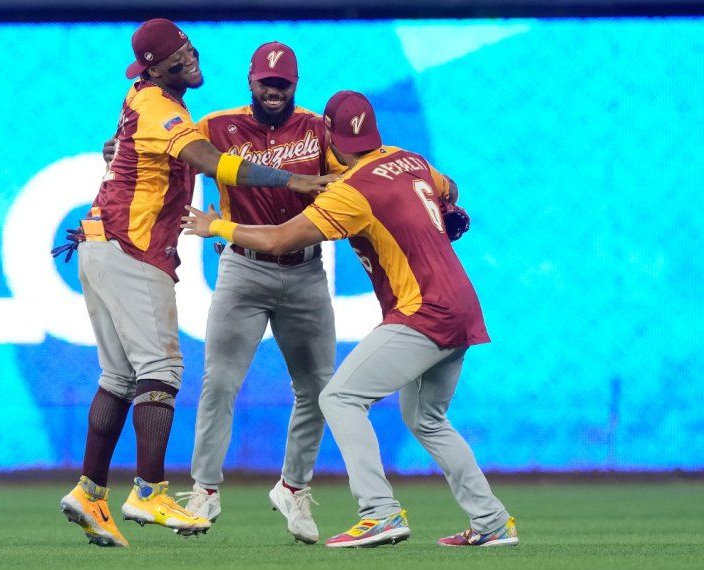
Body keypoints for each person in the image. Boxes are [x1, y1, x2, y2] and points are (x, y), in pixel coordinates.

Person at [181, 90, 519, 549]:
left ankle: (378, 512)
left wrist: (216, 227)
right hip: (462, 304)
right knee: (428, 419)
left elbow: (281, 239)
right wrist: (438, 210)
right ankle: (491, 520)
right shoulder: (408, 159)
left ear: (329, 136)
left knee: (338, 397)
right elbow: (451, 190)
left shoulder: (351, 192)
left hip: (422, 311)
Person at [58, 18, 331, 548]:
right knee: (160, 369)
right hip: (130, 247)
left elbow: (122, 147)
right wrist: (289, 177)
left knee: (118, 377)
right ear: (157, 67)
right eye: (179, 53)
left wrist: (116, 151)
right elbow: (205, 159)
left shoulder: (156, 102)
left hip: (104, 241)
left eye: (189, 46)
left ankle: (90, 491)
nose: (191, 56)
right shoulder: (161, 105)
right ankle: (151, 489)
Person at [175, 41, 347, 545]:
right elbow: (165, 150)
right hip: (242, 271)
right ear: (250, 81)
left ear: (296, 85)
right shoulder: (216, 126)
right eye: (266, 82)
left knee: (319, 387)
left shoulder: (319, 129)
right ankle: (204, 489)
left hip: (305, 271)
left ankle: (294, 487)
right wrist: (117, 148)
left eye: (283, 84)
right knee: (219, 382)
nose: (274, 92)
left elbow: (353, 176)